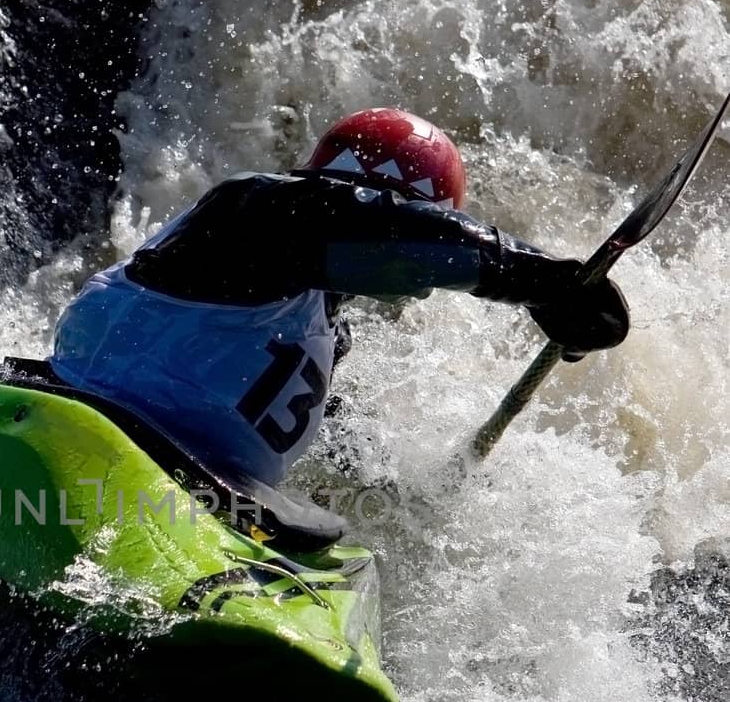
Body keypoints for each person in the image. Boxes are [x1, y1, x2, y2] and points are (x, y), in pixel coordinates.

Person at [48, 108, 629, 490]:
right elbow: (406, 242)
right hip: (88, 424)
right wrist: (547, 282)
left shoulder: (319, 329)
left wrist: (418, 495)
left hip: (195, 488)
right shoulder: (250, 215)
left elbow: (337, 446)